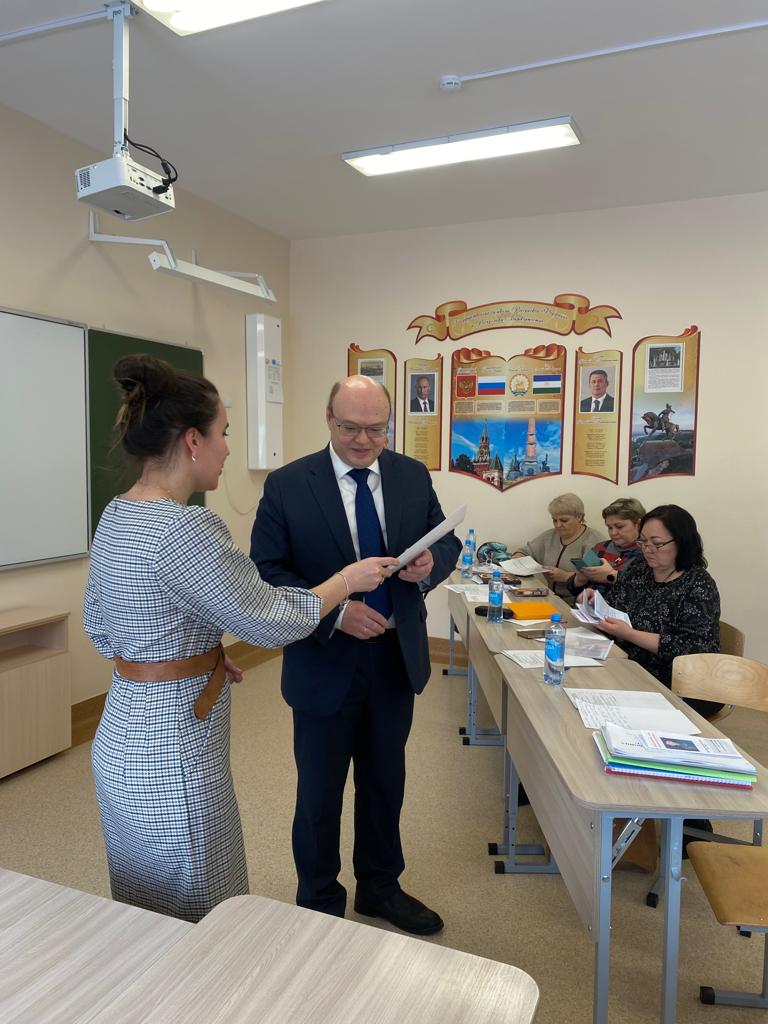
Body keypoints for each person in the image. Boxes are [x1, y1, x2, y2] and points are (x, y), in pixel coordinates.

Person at [83, 355, 395, 924]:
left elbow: (103, 627)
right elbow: (268, 620)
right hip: (172, 748)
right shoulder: (184, 526)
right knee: (202, 909)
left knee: (143, 910)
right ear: (193, 440)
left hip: (122, 731)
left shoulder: (117, 514)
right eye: (223, 433)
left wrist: (195, 654)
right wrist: (345, 582)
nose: (228, 449)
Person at [250, 375, 461, 935]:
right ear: (328, 419)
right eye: (351, 428)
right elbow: (267, 573)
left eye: (376, 429)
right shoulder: (288, 485)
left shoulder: (410, 475)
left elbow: (446, 540)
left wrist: (429, 566)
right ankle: (319, 900)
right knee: (319, 791)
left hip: (394, 657)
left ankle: (379, 886)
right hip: (324, 659)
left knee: (385, 782)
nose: (364, 440)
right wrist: (335, 613)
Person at [581, 504, 721, 717]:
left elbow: (695, 650)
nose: (647, 549)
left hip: (676, 680)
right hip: (627, 664)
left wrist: (630, 634)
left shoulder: (698, 584)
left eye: (656, 543)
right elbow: (616, 605)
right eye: (643, 542)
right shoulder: (640, 568)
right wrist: (596, 603)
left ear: (681, 542)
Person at [516, 493, 603, 605]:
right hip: (550, 599)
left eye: (564, 520)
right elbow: (523, 552)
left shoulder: (594, 541)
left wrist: (565, 576)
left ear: (579, 517)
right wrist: (517, 560)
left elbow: (597, 579)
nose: (558, 525)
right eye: (554, 520)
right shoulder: (550, 536)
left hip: (578, 604)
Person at [570, 497, 645, 596]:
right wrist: (579, 581)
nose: (613, 533)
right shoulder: (600, 548)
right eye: (609, 527)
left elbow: (643, 594)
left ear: (638, 524)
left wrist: (610, 575)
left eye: (619, 526)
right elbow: (576, 592)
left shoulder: (648, 554)